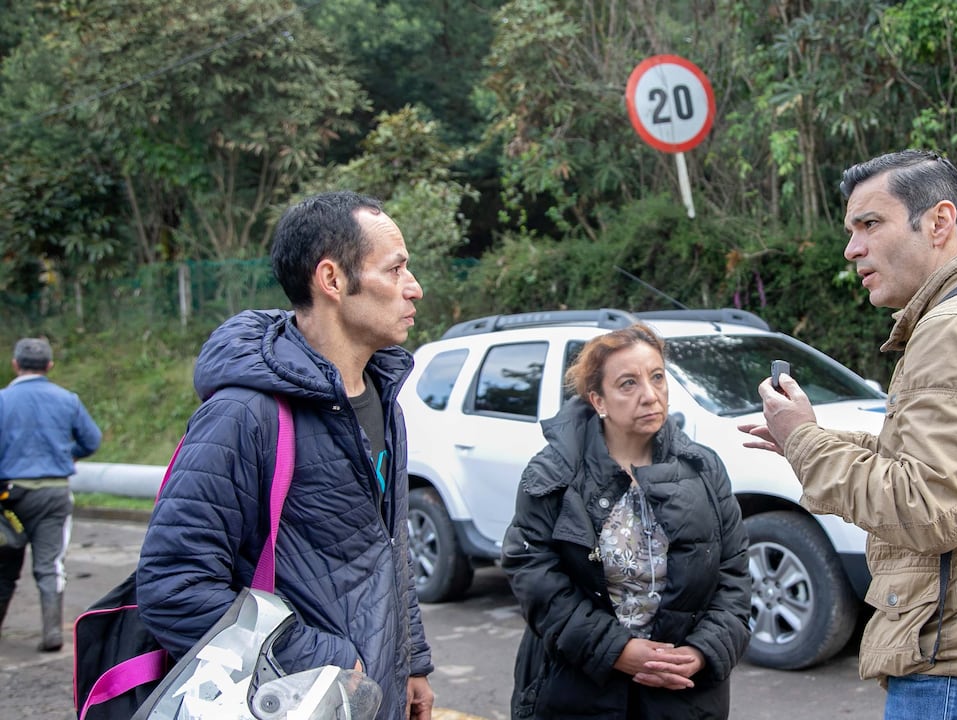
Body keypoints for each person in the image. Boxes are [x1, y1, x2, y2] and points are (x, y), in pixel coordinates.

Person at [738, 150, 957, 719]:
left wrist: (805, 445)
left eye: (870, 224)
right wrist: (811, 438)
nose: (852, 249)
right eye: (851, 231)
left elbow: (930, 508)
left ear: (939, 221)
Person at [134, 191, 435, 719]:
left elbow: (388, 547)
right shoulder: (243, 415)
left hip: (365, 699)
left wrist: (410, 662)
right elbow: (173, 584)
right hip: (300, 701)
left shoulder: (384, 396)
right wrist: (326, 661)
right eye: (396, 269)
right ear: (332, 280)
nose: (415, 288)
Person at [500, 323, 751, 719]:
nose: (650, 396)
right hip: (578, 691)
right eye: (628, 384)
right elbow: (534, 578)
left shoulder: (703, 468)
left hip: (683, 695)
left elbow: (733, 574)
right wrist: (615, 650)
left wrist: (702, 652)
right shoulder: (552, 473)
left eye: (657, 378)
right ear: (598, 400)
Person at [0, 336, 102, 651]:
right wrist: (63, 455)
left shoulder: (2, 399)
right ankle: (51, 632)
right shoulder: (67, 399)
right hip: (53, 495)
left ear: (15, 365)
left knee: (4, 563)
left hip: (9, 497)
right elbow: (92, 440)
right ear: (49, 366)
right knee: (49, 564)